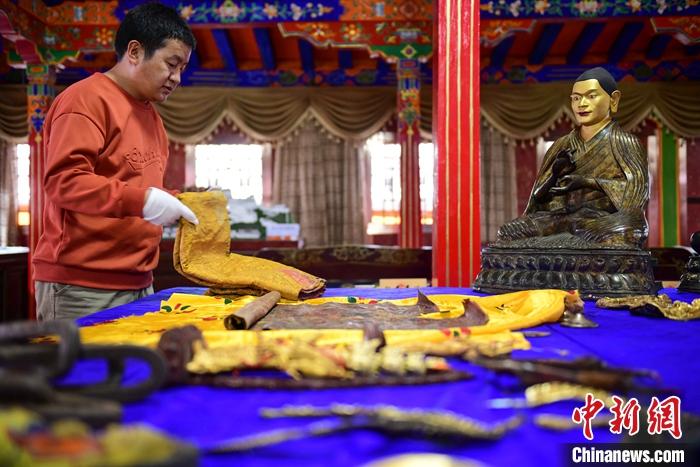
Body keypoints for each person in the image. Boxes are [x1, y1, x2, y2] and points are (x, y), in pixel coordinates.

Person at [33, 2, 199, 320]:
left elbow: (136, 186)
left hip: (139, 281)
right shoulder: (85, 100)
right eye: (171, 64)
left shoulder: (152, 117)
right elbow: (64, 182)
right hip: (81, 285)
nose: (177, 78)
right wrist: (145, 202)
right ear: (135, 52)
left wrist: (179, 202)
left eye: (182, 68)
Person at [497, 67, 649, 248]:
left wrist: (586, 181)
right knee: (508, 232)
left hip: (599, 220)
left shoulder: (625, 143)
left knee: (625, 231)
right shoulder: (561, 145)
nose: (581, 104)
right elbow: (537, 201)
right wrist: (554, 176)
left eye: (591, 96)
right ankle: (566, 243)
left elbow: (636, 197)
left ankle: (560, 244)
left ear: (613, 99)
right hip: (561, 219)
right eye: (576, 98)